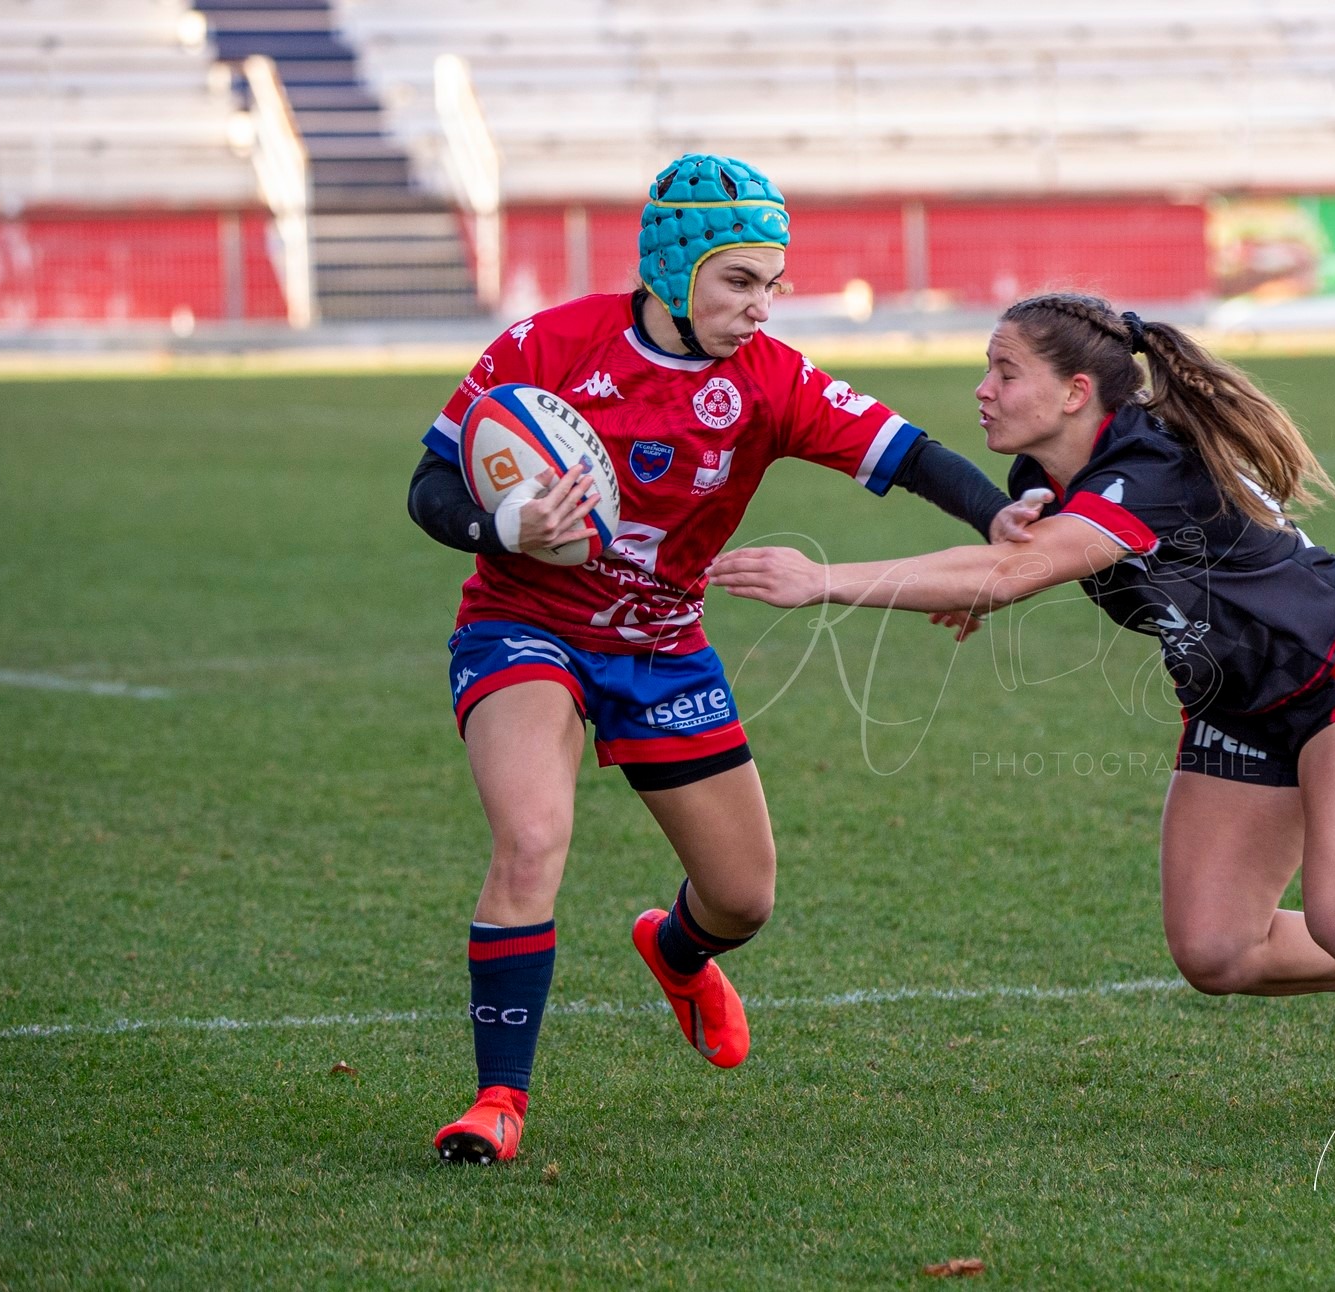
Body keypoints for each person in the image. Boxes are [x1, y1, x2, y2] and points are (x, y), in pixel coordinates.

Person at [711, 293, 1335, 1131]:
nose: (982, 389)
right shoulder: (1042, 477)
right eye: (985, 371)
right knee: (1214, 950)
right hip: (1234, 704)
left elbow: (1009, 570)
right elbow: (1020, 564)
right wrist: (982, 591)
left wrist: (822, 579)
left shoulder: (1146, 468)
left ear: (1077, 393)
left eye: (1004, 372)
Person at [406, 153, 1047, 1163]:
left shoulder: (769, 379)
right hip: (524, 624)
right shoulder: (548, 343)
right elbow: (428, 485)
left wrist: (995, 509)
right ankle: (497, 1102)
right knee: (531, 839)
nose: (761, 306)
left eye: (772, 284)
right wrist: (507, 523)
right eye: (739, 281)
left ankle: (675, 947)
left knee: (744, 896)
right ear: (674, 267)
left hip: (662, 644)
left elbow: (906, 449)